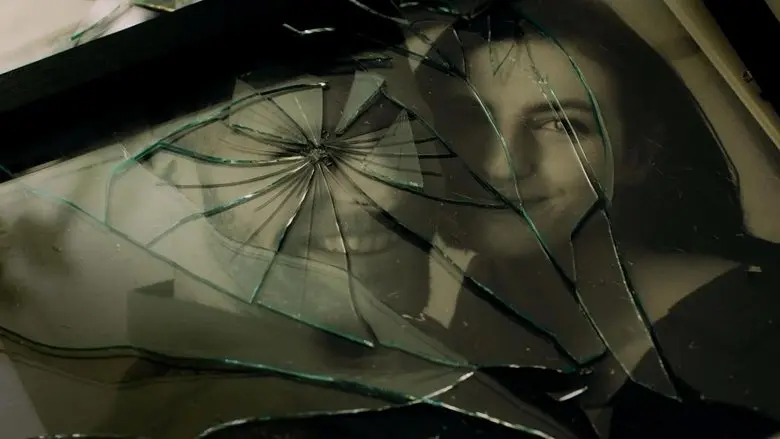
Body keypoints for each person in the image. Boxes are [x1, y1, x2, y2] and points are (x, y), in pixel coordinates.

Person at [409, 0, 780, 437]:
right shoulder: (484, 304)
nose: (501, 165)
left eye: (563, 125)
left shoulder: (758, 331)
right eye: (469, 118)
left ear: (638, 154)